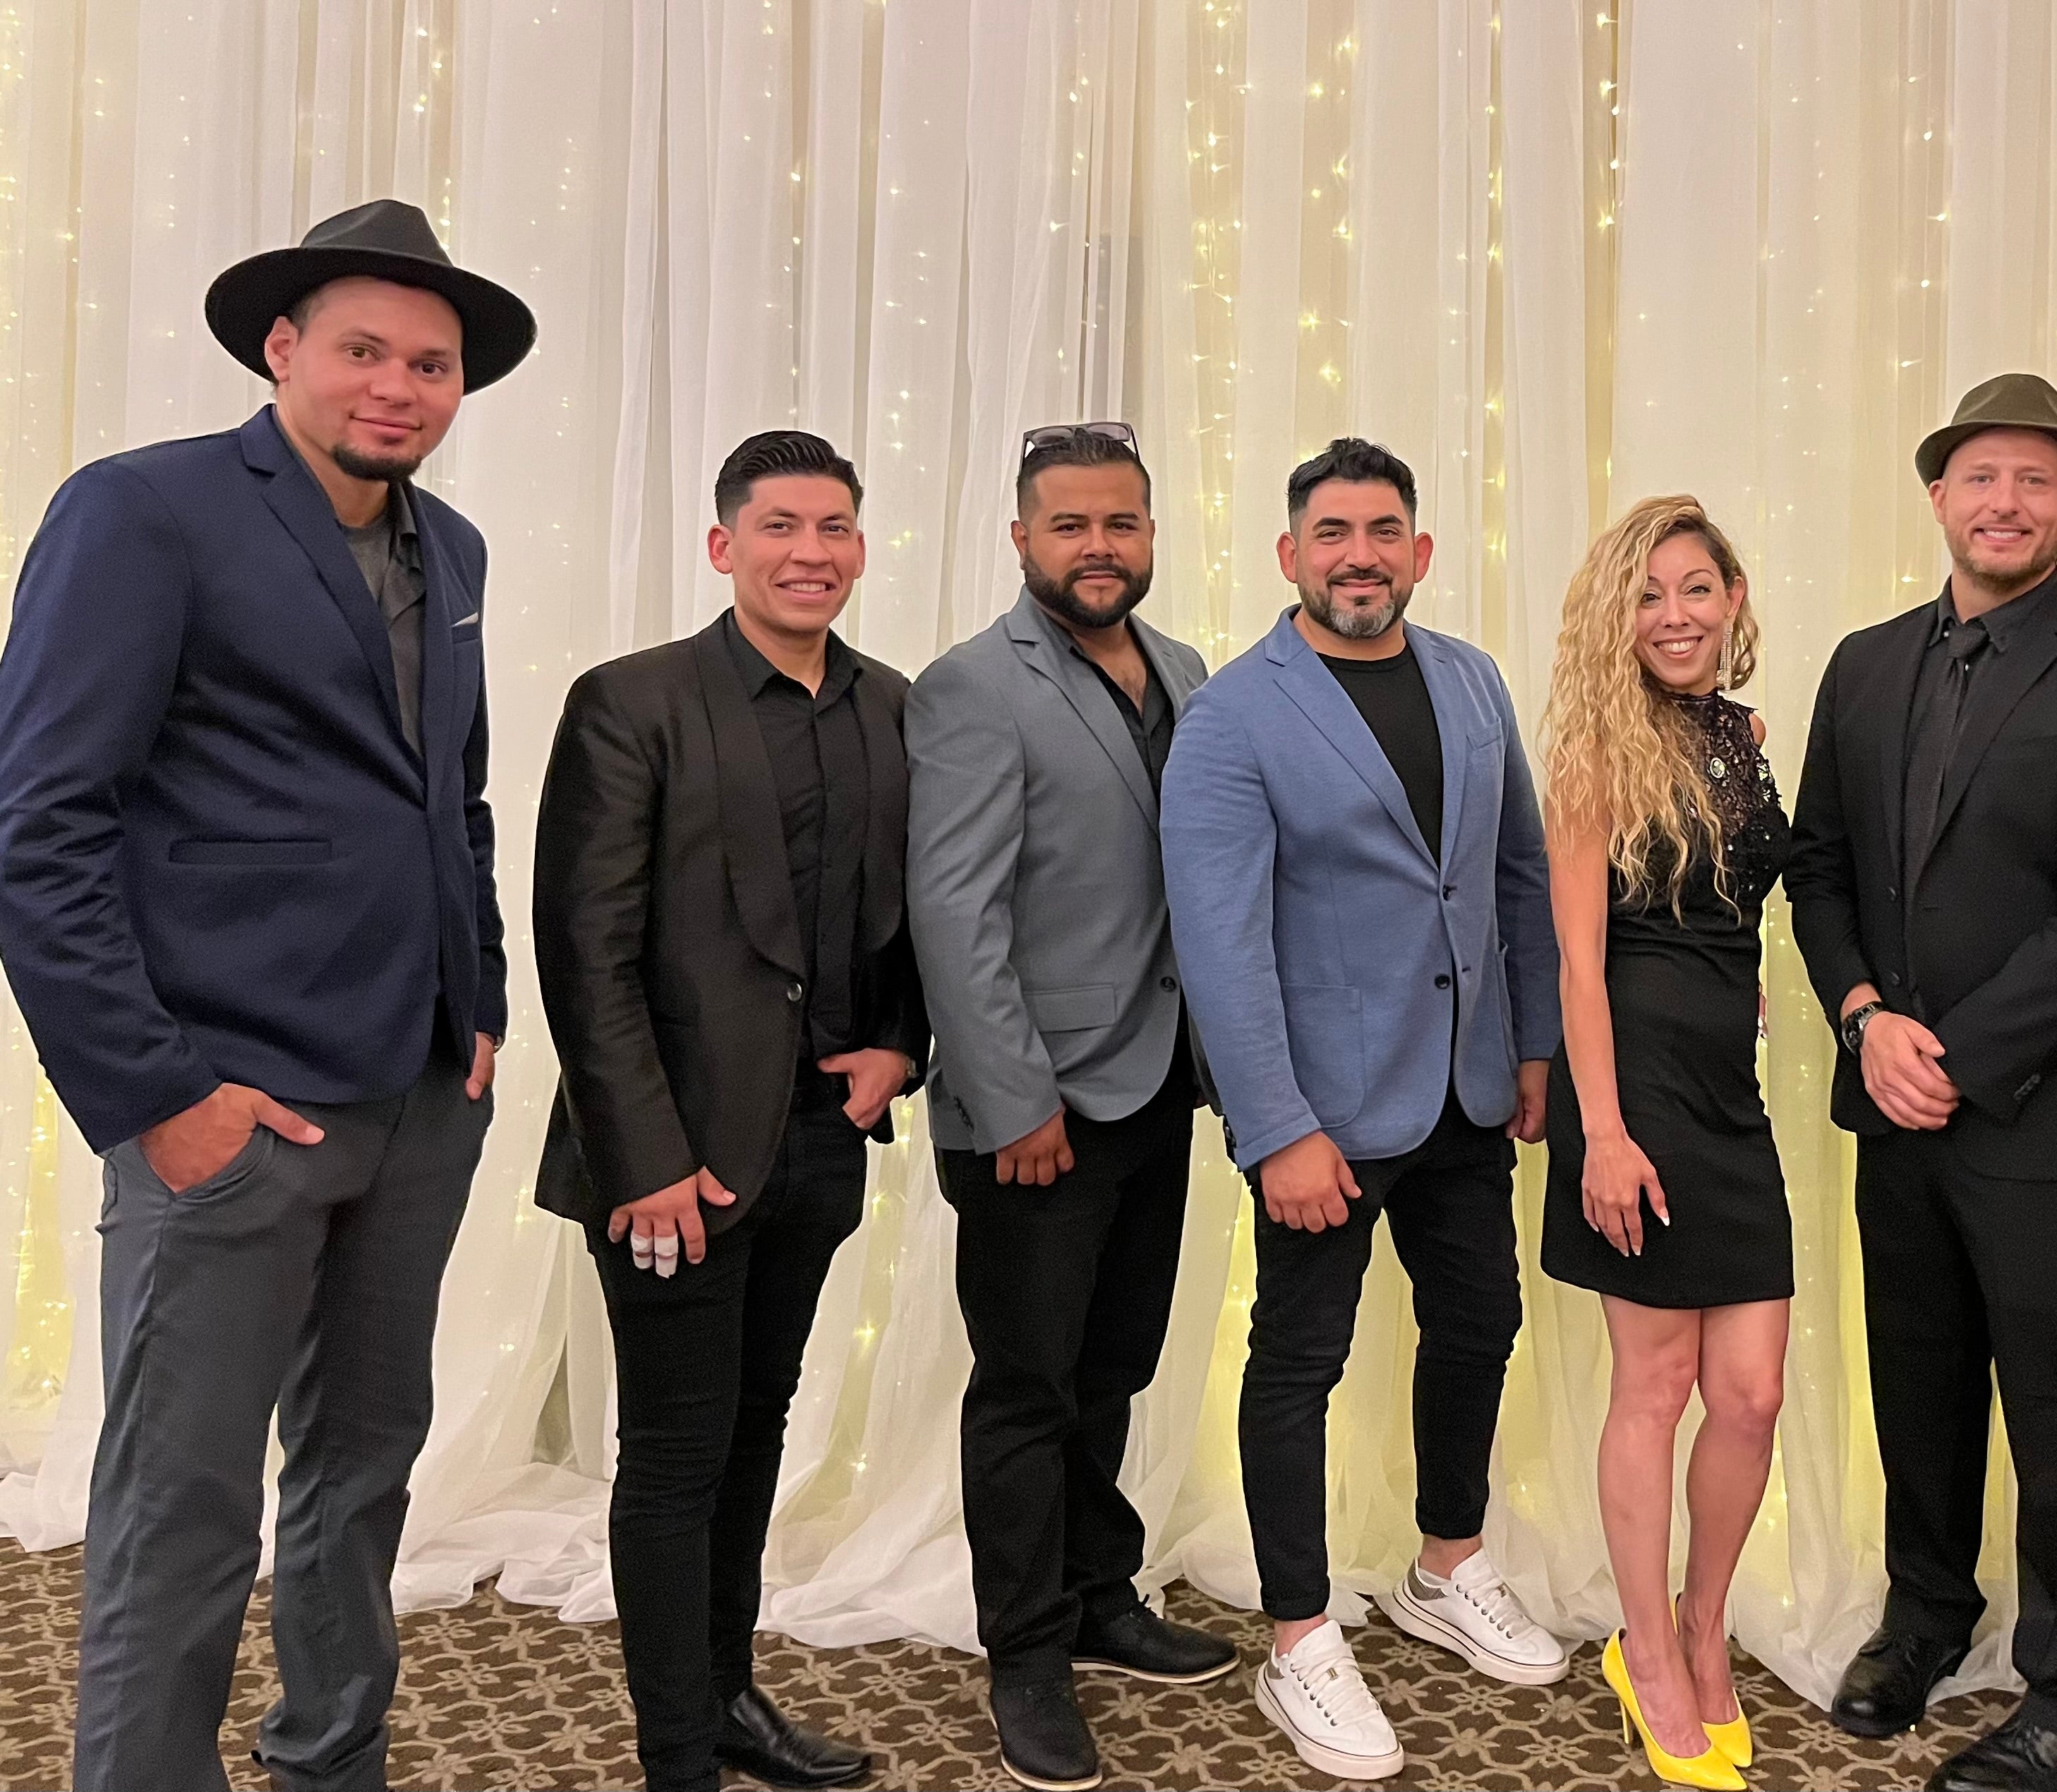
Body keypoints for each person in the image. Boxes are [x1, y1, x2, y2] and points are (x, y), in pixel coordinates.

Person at [0, 199, 528, 1792]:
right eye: (364, 349)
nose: (400, 385)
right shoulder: (142, 511)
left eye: (429, 363)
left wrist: (482, 991)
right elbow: (42, 823)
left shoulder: (458, 547)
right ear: (281, 348)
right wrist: (155, 1093)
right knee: (184, 1504)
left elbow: (456, 792)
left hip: (422, 1090)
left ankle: (329, 1763)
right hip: (229, 1103)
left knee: (364, 1476)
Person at [1790, 375, 2057, 1792]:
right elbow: (1821, 864)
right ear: (1941, 495)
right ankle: (1926, 1614)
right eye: (1981, 477)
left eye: (2036, 480)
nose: (2006, 501)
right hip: (1893, 1107)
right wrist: (1861, 1019)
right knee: (1921, 1383)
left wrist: (1948, 1055)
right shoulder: (1864, 660)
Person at [1161, 436, 1567, 1783]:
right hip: (1323, 1116)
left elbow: (1514, 874)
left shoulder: (1470, 678)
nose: (1359, 556)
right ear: (1290, 555)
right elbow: (1219, 943)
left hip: (1462, 1088)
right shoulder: (1234, 712)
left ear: (1420, 550)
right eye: (1331, 534)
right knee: (1298, 1365)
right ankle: (1297, 1637)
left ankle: (1446, 1565)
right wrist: (1276, 1126)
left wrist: (1531, 1048)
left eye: (1383, 531)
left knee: (1482, 1322)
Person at [532, 431, 925, 1792]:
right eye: (779, 528)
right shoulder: (631, 702)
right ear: (723, 547)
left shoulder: (891, 705)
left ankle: (729, 1696)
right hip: (671, 1155)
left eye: (834, 529)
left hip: (821, 1140)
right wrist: (642, 1162)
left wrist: (899, 1047)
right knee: (678, 1452)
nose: (809, 553)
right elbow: (585, 952)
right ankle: (675, 1752)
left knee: (760, 1430)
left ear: (860, 549)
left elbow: (915, 919)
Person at [908, 422, 1233, 1792]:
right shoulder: (973, 686)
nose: (1099, 547)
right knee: (1028, 1385)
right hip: (1036, 1104)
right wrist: (1011, 1098)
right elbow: (953, 907)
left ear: (1150, 532)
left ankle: (1101, 1594)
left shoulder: (1190, 670)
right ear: (1023, 538)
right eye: (1071, 525)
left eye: (1123, 523)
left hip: (1159, 1084)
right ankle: (1026, 1653)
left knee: (1115, 1366)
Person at [1538, 495, 1790, 1791]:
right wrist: (1602, 1133)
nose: (1676, 616)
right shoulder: (1593, 748)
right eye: (1649, 596)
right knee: (1657, 1387)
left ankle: (1704, 1625)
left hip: (1730, 1097)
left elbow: (1735, 910)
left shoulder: (1744, 736)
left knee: (1751, 1392)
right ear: (1616, 618)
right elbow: (1579, 966)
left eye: (1697, 589)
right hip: (1631, 1097)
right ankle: (1646, 1646)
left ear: (1733, 600)